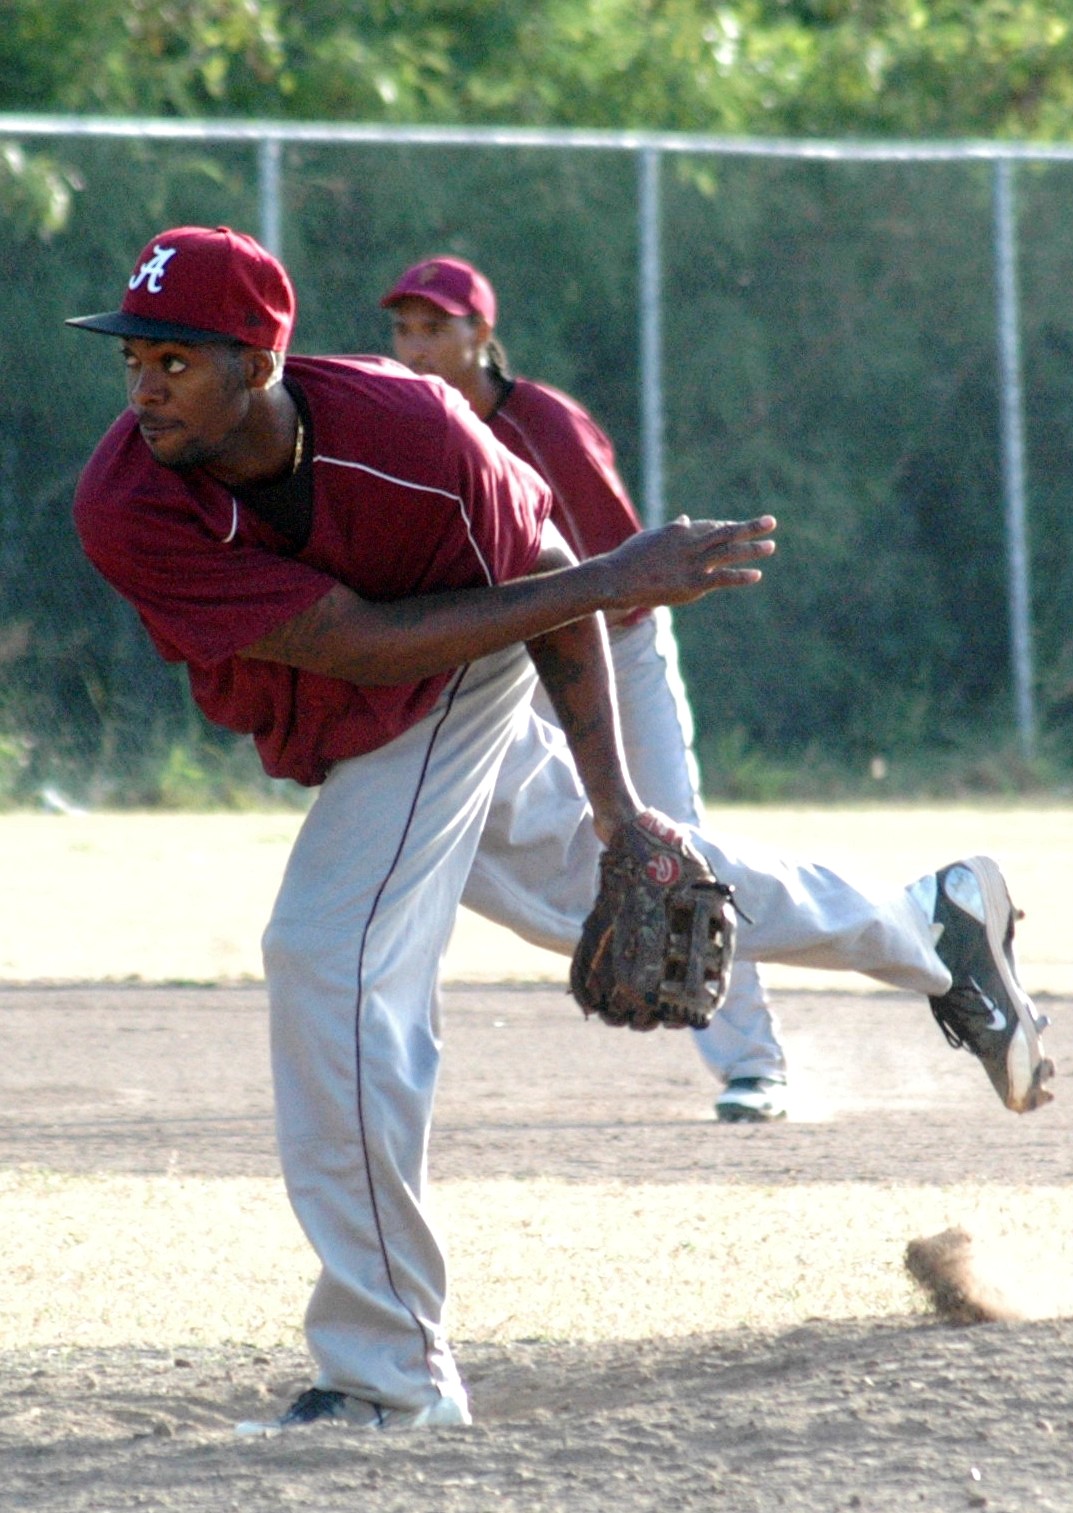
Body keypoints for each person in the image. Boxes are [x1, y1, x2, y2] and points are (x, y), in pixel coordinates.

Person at [67, 225, 1052, 1437]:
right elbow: (349, 645)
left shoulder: (412, 434)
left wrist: (618, 798)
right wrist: (609, 635)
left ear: (259, 359)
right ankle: (931, 928)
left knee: (330, 955)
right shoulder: (126, 499)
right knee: (578, 888)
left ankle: (390, 1371)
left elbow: (537, 570)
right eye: (134, 359)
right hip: (374, 676)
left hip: (455, 671)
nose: (144, 386)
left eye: (176, 358)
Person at [379, 254, 787, 1123]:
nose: (414, 345)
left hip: (616, 645)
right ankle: (387, 1051)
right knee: (423, 843)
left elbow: (621, 578)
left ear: (480, 336)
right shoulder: (403, 425)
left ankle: (753, 1061)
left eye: (435, 328)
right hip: (499, 660)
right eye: (404, 328)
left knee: (674, 847)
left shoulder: (546, 427)